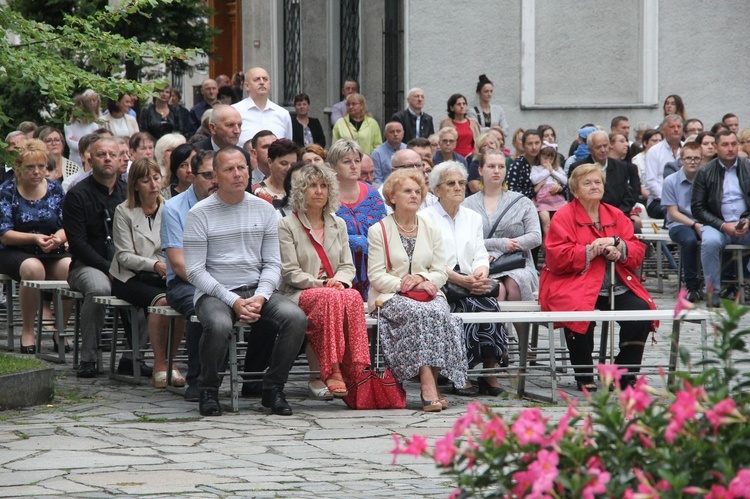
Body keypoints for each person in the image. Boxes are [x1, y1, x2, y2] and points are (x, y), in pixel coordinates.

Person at [183, 146, 306, 417]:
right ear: (215, 175)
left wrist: (260, 297)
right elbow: (194, 271)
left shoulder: (264, 210)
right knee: (219, 323)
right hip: (215, 292)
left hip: (257, 290)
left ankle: (272, 387)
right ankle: (209, 389)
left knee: (295, 318)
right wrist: (234, 300)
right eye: (229, 169)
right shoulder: (200, 213)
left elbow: (273, 263)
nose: (237, 174)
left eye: (242, 168)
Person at [539, 164, 655, 391]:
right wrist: (590, 251)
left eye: (598, 182)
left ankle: (623, 372)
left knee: (640, 312)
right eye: (588, 183)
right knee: (578, 313)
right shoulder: (563, 216)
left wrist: (618, 246)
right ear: (575, 190)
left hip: (615, 283)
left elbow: (637, 250)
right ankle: (583, 375)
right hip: (575, 283)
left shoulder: (615, 214)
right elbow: (555, 256)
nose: (594, 186)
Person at [367, 168, 467, 412]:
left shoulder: (431, 229)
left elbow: (441, 271)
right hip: (390, 296)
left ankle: (431, 383)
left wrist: (422, 279)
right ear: (392, 197)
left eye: (417, 191)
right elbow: (376, 275)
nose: (414, 195)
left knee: (440, 313)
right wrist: (404, 284)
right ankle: (428, 386)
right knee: (420, 314)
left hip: (430, 293)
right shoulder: (378, 230)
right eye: (407, 191)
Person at [278, 164, 370, 399]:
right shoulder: (287, 224)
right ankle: (330, 370)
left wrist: (339, 281)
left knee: (353, 296)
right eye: (312, 186)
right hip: (298, 291)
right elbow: (289, 272)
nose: (319, 191)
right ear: (301, 191)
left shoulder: (337, 223)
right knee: (329, 298)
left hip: (332, 290)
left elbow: (347, 267)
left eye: (324, 186)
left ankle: (357, 368)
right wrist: (321, 284)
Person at [63, 137, 151, 378]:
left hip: (126, 262)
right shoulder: (76, 195)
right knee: (100, 289)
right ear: (90, 159)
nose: (108, 159)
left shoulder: (129, 193)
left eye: (113, 154)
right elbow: (78, 244)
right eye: (101, 154)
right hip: (88, 264)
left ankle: (132, 357)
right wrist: (109, 268)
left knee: (149, 292)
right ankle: (89, 359)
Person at [421, 161, 505, 397]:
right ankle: (460, 374)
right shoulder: (425, 218)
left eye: (461, 182)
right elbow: (428, 258)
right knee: (459, 308)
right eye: (451, 183)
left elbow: (480, 252)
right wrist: (460, 279)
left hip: (470, 279)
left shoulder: (472, 217)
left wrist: (481, 275)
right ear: (437, 190)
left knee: (489, 304)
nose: (458, 187)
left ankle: (490, 373)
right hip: (442, 281)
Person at [109, 158, 185, 388]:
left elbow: (178, 245)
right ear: (135, 185)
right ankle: (160, 364)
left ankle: (172, 362)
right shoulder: (124, 211)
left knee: (181, 300)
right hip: (129, 276)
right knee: (162, 302)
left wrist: (167, 267)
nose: (153, 185)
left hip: (163, 273)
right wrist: (154, 265)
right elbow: (124, 255)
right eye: (145, 180)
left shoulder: (170, 208)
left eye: (156, 178)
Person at [0, 139, 73, 354]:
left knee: (71, 269)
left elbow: (68, 225)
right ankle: (28, 330)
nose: (36, 172)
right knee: (34, 269)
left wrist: (58, 238)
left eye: (41, 167)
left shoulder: (55, 189)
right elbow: (4, 234)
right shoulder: (7, 190)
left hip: (51, 248)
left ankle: (60, 329)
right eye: (30, 167)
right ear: (19, 168)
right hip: (15, 250)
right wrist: (35, 239)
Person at [463, 149, 541, 345]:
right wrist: (498, 244)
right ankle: (497, 347)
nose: (496, 171)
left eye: (501, 167)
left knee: (515, 284)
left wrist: (508, 248)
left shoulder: (521, 201)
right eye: (491, 166)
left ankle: (523, 345)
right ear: (480, 170)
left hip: (517, 262)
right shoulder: (467, 204)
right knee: (497, 289)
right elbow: (464, 239)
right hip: (483, 261)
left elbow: (536, 236)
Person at [161, 150, 218, 401]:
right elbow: (178, 263)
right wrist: (215, 287)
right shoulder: (174, 208)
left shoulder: (238, 203)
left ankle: (256, 378)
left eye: (220, 174)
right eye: (208, 175)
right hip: (186, 282)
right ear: (193, 176)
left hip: (230, 279)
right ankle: (198, 379)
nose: (215, 181)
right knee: (202, 308)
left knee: (269, 307)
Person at [691, 130, 750, 307]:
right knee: (709, 242)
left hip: (746, 224)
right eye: (725, 145)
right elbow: (697, 209)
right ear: (716, 147)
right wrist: (723, 225)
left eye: (733, 144)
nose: (730, 148)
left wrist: (748, 221)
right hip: (717, 224)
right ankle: (713, 291)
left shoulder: (748, 167)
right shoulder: (705, 172)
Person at [330, 139, 387, 299]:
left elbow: (384, 230)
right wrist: (352, 241)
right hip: (339, 269)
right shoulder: (325, 196)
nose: (354, 166)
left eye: (357, 161)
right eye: (347, 162)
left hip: (373, 268)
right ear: (334, 166)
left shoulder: (373, 194)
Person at [662, 143, 703, 303]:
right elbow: (673, 212)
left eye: (696, 158)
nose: (692, 162)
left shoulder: (706, 178)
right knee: (690, 240)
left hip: (702, 220)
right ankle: (692, 286)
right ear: (681, 160)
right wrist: (694, 225)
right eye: (688, 158)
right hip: (679, 223)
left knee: (718, 238)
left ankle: (718, 284)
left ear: (701, 160)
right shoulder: (670, 181)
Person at [569, 130, 636, 218]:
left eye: (605, 146)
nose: (603, 150)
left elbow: (627, 197)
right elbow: (574, 196)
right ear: (590, 149)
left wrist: (617, 214)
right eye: (598, 147)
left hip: (618, 215)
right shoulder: (578, 168)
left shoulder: (621, 167)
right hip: (588, 216)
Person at [234, 67, 293, 145]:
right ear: (247, 86)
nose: (262, 82)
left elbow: (287, 145)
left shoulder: (282, 113)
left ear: (269, 84)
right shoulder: (235, 111)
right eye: (257, 79)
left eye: (265, 79)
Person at [645, 114, 683, 219]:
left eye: (679, 127)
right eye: (672, 127)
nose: (676, 130)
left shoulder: (686, 149)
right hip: (659, 202)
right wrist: (669, 200)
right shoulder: (654, 151)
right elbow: (651, 182)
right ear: (663, 131)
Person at [530, 145, 568, 241]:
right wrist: (547, 171)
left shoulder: (557, 169)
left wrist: (553, 171)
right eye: (545, 157)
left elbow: (565, 180)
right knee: (544, 217)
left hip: (555, 197)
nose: (548, 160)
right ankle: (547, 237)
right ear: (540, 157)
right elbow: (534, 180)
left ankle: (559, 237)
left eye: (551, 158)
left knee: (561, 216)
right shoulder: (536, 168)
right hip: (543, 199)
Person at [252, 138, 299, 208]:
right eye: (283, 163)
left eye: (293, 164)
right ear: (270, 162)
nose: (289, 168)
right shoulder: (257, 192)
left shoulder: (300, 189)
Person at [64, 90, 101, 165]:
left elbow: (96, 144)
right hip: (74, 162)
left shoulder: (93, 125)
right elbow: (71, 145)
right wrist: (87, 144)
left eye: (78, 106)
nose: (75, 108)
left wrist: (78, 142)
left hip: (89, 162)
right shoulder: (68, 125)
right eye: (75, 106)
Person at [439, 93, 480, 158]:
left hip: (471, 157)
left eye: (464, 104)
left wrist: (471, 154)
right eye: (458, 104)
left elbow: (479, 143)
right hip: (452, 157)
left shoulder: (473, 122)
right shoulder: (446, 123)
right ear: (452, 108)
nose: (462, 106)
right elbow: (442, 142)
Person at [507, 129, 542, 200]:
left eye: (537, 143)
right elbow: (510, 190)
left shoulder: (544, 161)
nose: (534, 147)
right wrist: (533, 190)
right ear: (523, 145)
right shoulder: (517, 164)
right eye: (530, 144)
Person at [631, 129, 663, 201]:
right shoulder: (637, 161)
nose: (658, 144)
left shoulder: (665, 158)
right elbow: (638, 185)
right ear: (645, 143)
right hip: (647, 198)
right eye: (654, 141)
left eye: (660, 141)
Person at [372, 121, 406, 186]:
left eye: (398, 131)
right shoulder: (377, 153)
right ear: (385, 135)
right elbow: (376, 179)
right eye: (392, 132)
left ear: (403, 133)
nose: (395, 134)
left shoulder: (408, 149)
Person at [154, 133, 186, 198]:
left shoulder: (188, 172)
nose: (176, 153)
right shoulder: (156, 173)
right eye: (172, 150)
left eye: (180, 150)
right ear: (162, 153)